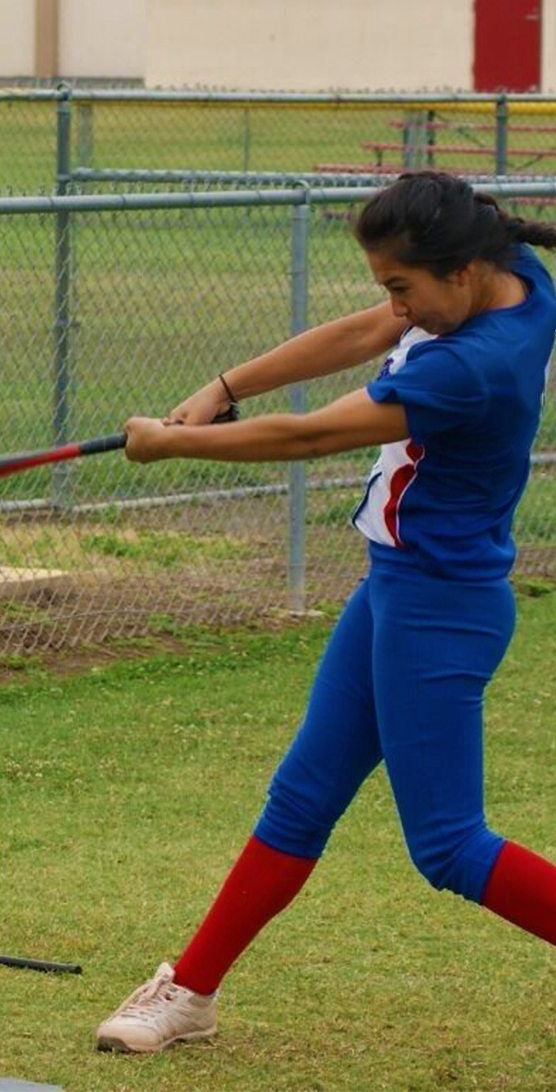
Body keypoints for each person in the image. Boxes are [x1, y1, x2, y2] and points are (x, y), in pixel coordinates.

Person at [94, 172, 556, 1054]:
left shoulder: (474, 365)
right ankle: (189, 993)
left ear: (460, 271)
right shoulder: (510, 277)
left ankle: (190, 989)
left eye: (402, 286)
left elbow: (311, 436)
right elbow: (366, 330)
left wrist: (176, 443)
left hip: (442, 608)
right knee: (300, 800)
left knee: (452, 847)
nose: (394, 306)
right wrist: (223, 384)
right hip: (396, 586)